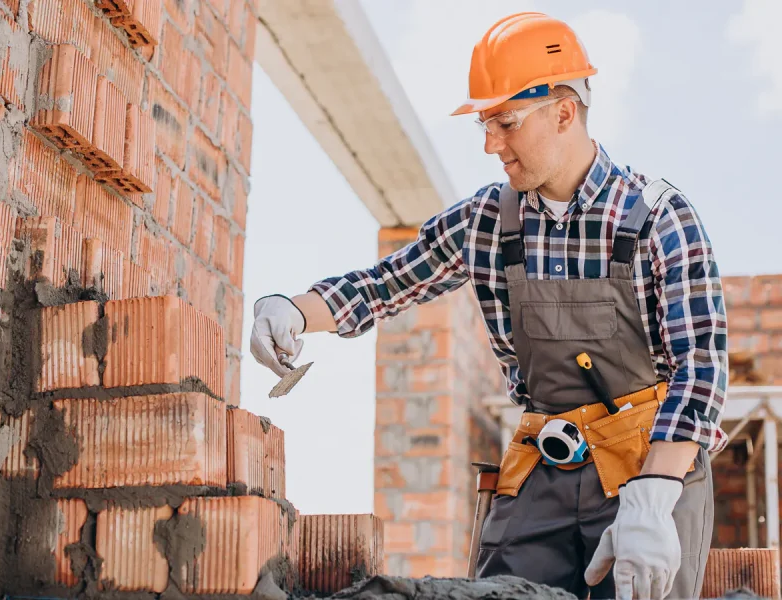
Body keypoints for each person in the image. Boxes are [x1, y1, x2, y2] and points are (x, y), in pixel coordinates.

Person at [249, 11, 727, 600]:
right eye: (484, 123)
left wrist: (654, 495)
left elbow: (701, 368)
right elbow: (385, 283)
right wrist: (293, 310)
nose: (490, 144)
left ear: (563, 111)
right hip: (545, 467)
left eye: (505, 122)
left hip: (648, 464)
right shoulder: (488, 221)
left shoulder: (657, 217)